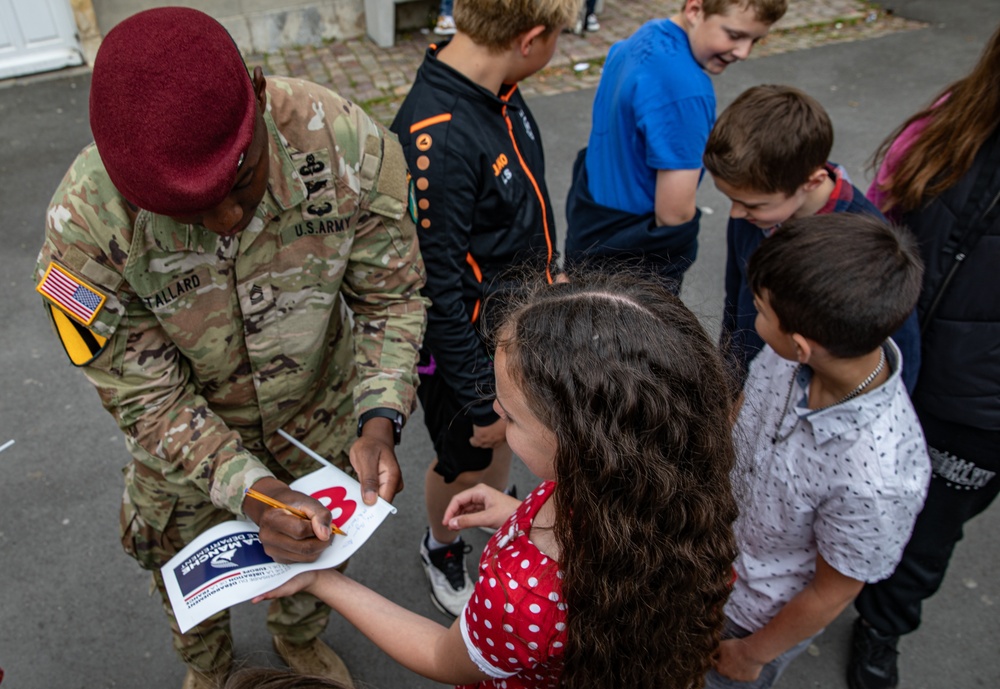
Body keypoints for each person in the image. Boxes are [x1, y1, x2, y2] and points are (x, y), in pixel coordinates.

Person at [33, 8, 427, 689]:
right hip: (185, 461)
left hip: (320, 424)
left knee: (316, 559)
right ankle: (208, 670)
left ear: (254, 92)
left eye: (239, 184)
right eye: (190, 213)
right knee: (188, 581)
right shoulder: (86, 229)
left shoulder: (342, 144)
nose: (227, 219)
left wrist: (379, 415)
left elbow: (390, 295)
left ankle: (299, 643)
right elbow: (148, 397)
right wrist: (250, 490)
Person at [256, 271, 741, 689]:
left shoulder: (519, 598)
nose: (493, 411)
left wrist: (322, 581)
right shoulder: (667, 487)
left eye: (509, 416)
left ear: (577, 445)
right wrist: (518, 515)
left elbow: (442, 658)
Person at [389, 0, 573, 617]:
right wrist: (479, 400)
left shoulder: (499, 87)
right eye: (559, 41)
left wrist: (551, 277)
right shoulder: (437, 138)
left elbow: (519, 215)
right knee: (469, 454)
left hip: (516, 330)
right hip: (469, 355)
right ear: (531, 38)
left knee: (498, 454)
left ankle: (492, 491)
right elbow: (436, 290)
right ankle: (440, 545)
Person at [707, 214, 930, 689]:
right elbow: (746, 408)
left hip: (748, 618)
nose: (754, 314)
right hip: (706, 561)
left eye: (762, 310)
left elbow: (833, 591)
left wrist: (751, 653)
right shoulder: (787, 353)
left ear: (802, 345)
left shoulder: (879, 478)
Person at [847, 24, 1000, 689]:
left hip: (980, 409)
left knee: (930, 533)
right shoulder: (948, 122)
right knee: (849, 491)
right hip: (889, 366)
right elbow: (877, 221)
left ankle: (883, 624)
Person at [702, 84, 921, 390]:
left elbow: (900, 350)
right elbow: (736, 307)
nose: (736, 213)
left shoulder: (868, 248)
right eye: (731, 200)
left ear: (812, 181)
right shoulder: (751, 214)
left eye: (753, 204)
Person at [564, 0, 787, 291]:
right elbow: (674, 214)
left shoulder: (643, 37)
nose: (743, 52)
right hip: (630, 257)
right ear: (695, 10)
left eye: (755, 40)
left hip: (590, 226)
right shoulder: (686, 91)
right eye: (734, 35)